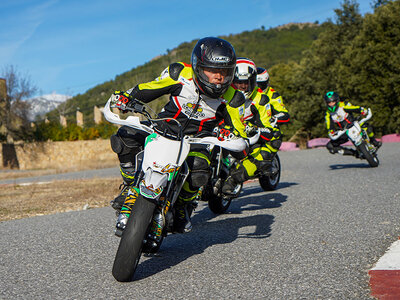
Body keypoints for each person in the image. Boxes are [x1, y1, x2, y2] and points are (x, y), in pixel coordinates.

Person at [109, 37, 247, 235]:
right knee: (125, 135)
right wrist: (127, 96)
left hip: (199, 139)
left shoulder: (233, 98)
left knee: (199, 168)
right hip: (164, 126)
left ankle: (183, 206)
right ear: (198, 67)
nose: (218, 77)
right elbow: (149, 89)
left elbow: (239, 132)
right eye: (212, 70)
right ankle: (131, 185)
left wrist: (233, 136)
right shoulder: (179, 75)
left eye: (224, 72)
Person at [222, 58, 290, 194]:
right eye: (238, 82)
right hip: (225, 132)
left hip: (250, 136)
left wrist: (256, 129)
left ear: (253, 81)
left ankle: (237, 177)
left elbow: (268, 127)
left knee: (274, 137)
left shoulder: (262, 98)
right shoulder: (223, 93)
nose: (242, 86)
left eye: (245, 82)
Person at [324, 91, 382, 156]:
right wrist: (331, 131)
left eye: (333, 102)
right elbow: (329, 124)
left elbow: (353, 108)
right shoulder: (328, 113)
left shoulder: (344, 105)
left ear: (337, 101)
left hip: (354, 124)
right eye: (329, 103)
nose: (331, 104)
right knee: (330, 146)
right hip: (343, 131)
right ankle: (354, 153)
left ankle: (374, 141)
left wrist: (362, 110)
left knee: (367, 127)